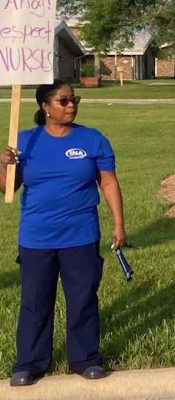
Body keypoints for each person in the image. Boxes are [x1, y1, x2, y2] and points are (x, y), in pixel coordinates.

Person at [1, 80, 127, 386]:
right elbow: (8, 188)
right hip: (36, 237)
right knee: (35, 300)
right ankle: (29, 363)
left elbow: (108, 181)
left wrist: (119, 223)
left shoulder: (92, 139)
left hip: (80, 234)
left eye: (74, 100)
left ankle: (85, 359)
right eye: (64, 101)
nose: (71, 105)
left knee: (82, 298)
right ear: (45, 107)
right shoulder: (24, 141)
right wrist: (4, 164)